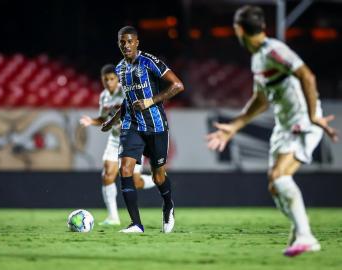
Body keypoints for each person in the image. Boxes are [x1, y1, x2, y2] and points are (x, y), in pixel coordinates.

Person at [206, 5, 338, 257]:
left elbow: (307, 77)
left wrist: (312, 116)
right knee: (275, 185)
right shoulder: (258, 58)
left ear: (239, 29)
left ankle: (305, 236)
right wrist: (235, 125)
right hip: (285, 124)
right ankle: (299, 232)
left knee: (279, 176)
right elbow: (262, 99)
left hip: (301, 121)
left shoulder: (274, 50)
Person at [102, 26, 185, 233]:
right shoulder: (120, 68)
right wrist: (112, 121)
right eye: (122, 42)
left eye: (130, 41)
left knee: (158, 177)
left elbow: (177, 85)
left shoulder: (149, 61)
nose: (126, 45)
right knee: (125, 169)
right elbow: (127, 102)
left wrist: (150, 101)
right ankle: (136, 224)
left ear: (137, 42)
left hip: (156, 126)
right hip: (132, 126)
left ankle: (168, 205)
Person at [80, 64, 155, 226]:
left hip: (132, 138)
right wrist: (91, 121)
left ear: (117, 78)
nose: (109, 82)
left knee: (135, 182)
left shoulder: (126, 91)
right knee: (107, 175)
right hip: (115, 140)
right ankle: (113, 217)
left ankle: (156, 179)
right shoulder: (104, 97)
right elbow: (103, 118)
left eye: (112, 79)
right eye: (105, 79)